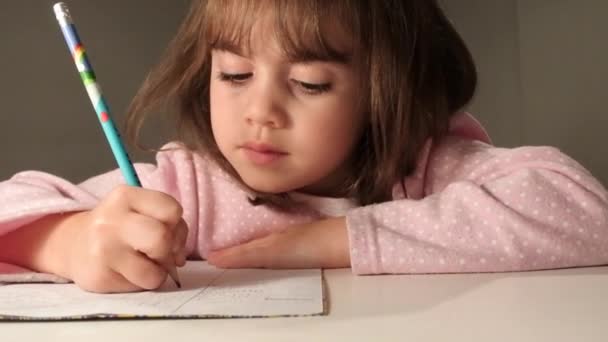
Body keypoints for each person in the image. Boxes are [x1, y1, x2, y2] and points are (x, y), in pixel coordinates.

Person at [1, 0, 607, 293]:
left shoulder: (425, 170)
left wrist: (340, 239)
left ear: (381, 90)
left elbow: (584, 211)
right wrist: (72, 242)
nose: (259, 112)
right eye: (234, 75)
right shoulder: (189, 189)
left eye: (309, 83)